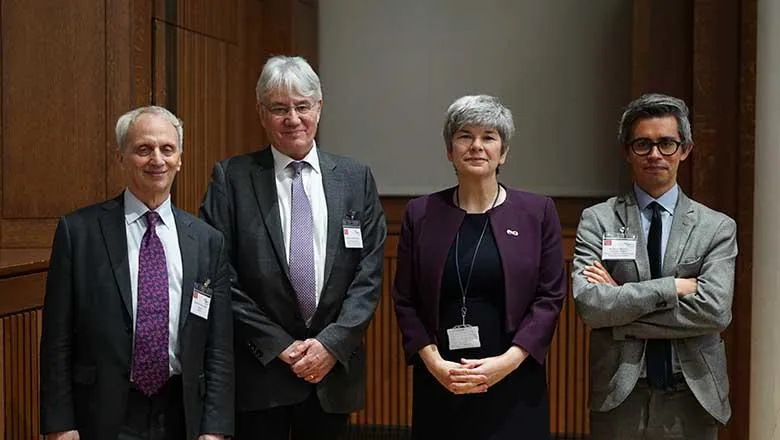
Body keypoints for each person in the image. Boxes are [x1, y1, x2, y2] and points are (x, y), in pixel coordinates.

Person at [200, 55, 387, 440]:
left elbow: (368, 276)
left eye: (303, 106)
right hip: (260, 372)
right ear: (261, 113)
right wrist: (279, 346)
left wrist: (330, 346)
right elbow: (217, 273)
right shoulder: (231, 179)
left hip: (331, 375)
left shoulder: (355, 178)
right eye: (279, 109)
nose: (293, 119)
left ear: (319, 107)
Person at [40, 106, 234, 440]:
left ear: (180, 158)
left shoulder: (207, 241)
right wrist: (60, 424)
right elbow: (57, 340)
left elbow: (218, 346)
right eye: (143, 149)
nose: (157, 159)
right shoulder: (79, 233)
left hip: (182, 412)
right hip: (104, 413)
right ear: (122, 158)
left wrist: (215, 429)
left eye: (167, 149)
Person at [391, 94, 567, 439]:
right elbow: (405, 299)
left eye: (489, 136)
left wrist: (507, 363)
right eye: (464, 136)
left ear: (503, 152)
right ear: (449, 151)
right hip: (442, 378)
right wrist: (436, 364)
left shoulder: (537, 212)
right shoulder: (420, 213)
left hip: (515, 377)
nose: (476, 146)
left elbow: (549, 297)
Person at [572, 93, 737, 440]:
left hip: (695, 393)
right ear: (627, 152)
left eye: (666, 143)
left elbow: (715, 311)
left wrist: (622, 309)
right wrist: (673, 288)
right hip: (620, 393)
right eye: (643, 144)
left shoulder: (717, 227)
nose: (655, 155)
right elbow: (590, 306)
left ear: (685, 149)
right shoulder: (598, 220)